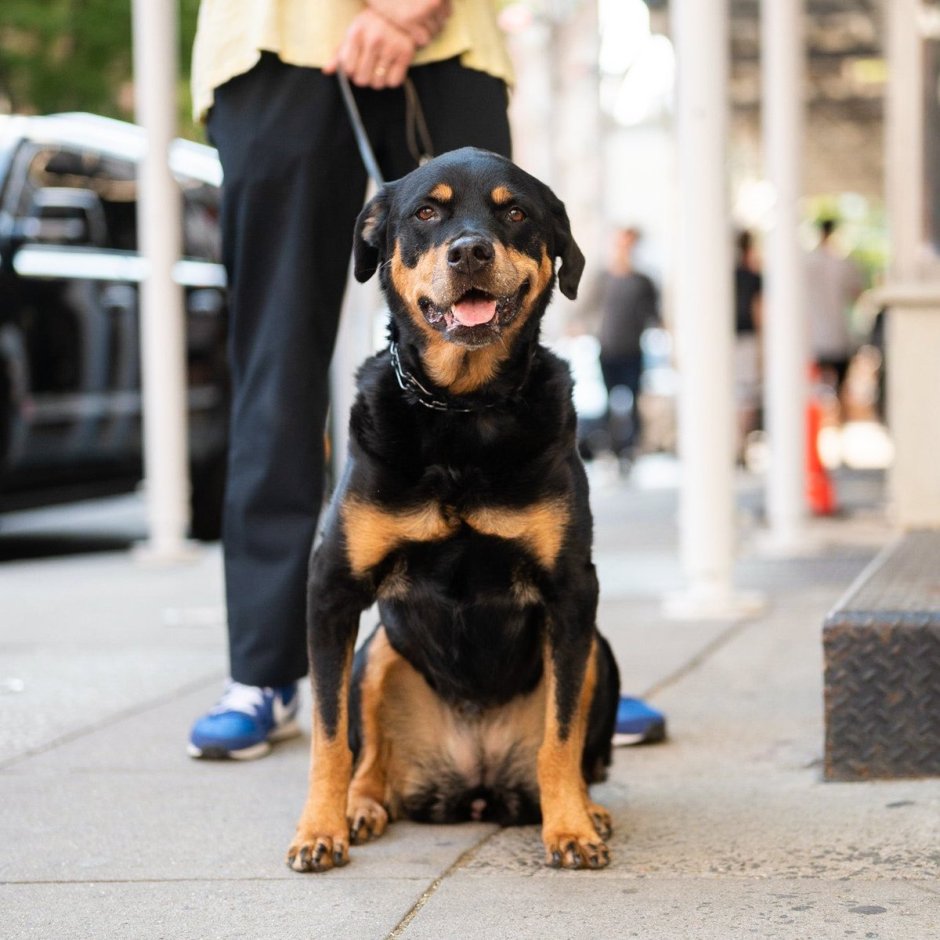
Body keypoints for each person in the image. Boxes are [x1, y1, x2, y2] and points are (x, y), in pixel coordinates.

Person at [187, 0, 665, 759]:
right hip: (276, 37)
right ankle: (262, 670)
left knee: (501, 296)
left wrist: (408, 9)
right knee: (275, 363)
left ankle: (563, 672)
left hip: (451, 32)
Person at [596, 227, 660, 465]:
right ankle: (610, 447)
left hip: (632, 349)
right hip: (607, 348)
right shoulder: (603, 278)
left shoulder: (643, 281)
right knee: (608, 401)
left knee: (633, 400)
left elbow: (654, 314)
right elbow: (589, 308)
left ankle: (630, 449)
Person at [805, 217, 864, 405]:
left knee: (816, 388)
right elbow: (856, 294)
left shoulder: (807, 262)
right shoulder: (844, 264)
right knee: (837, 386)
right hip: (835, 333)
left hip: (815, 335)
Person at [733, 230, 762, 464]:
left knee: (736, 395)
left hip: (727, 342)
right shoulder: (753, 277)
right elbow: (758, 311)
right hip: (746, 341)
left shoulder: (721, 276)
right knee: (746, 397)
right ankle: (740, 444)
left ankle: (735, 443)